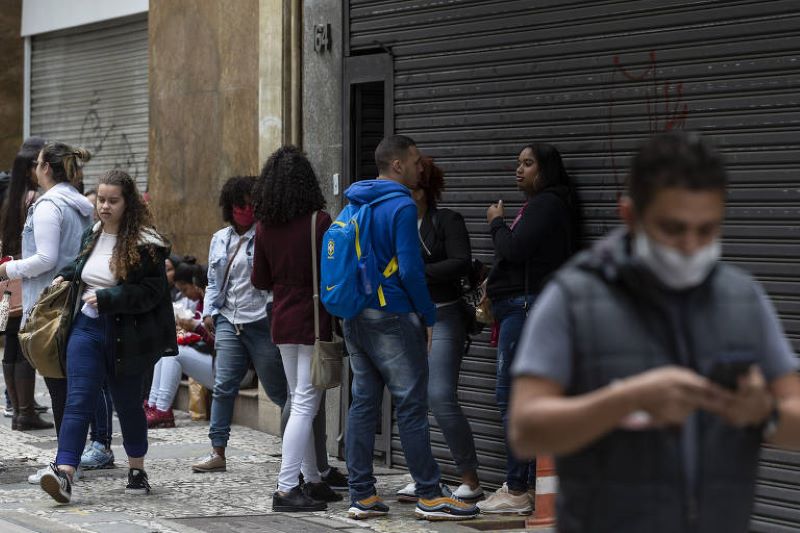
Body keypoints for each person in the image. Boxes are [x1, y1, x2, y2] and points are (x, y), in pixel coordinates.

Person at [509, 131, 800, 533]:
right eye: (673, 228)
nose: (691, 245)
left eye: (707, 230)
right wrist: (627, 398)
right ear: (630, 215)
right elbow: (526, 428)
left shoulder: (742, 298)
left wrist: (762, 414)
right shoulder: (574, 298)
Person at [341, 135, 478, 521]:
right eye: (416, 161)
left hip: (355, 313)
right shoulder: (400, 204)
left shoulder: (356, 200)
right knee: (412, 405)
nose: (422, 167)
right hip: (392, 314)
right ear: (398, 165)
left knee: (364, 403)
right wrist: (429, 317)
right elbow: (410, 268)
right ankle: (431, 495)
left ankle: (361, 495)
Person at [38, 169, 177, 503]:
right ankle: (65, 472)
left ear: (128, 203)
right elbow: (84, 267)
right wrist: (65, 276)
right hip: (85, 328)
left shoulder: (147, 244)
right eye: (101, 199)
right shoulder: (93, 233)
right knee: (78, 399)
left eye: (113, 200)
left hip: (126, 335)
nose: (104, 206)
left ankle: (137, 470)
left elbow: (152, 291)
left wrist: (108, 298)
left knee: (128, 405)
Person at [479, 142, 577, 515]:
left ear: (546, 169)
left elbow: (515, 250)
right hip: (526, 306)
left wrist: (496, 223)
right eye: (518, 163)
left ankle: (518, 488)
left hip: (526, 308)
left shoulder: (547, 204)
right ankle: (530, 483)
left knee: (512, 398)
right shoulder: (545, 205)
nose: (519, 170)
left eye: (528, 164)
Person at [251, 146, 342, 511]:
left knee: (300, 398)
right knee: (305, 402)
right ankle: (287, 487)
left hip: (282, 320)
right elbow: (333, 273)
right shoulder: (319, 222)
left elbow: (260, 279)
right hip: (313, 319)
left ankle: (313, 480)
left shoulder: (264, 227)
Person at [396, 157, 483, 502]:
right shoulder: (396, 224)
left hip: (445, 316)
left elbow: (461, 261)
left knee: (441, 396)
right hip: (408, 319)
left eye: (408, 188)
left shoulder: (447, 220)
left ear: (421, 191)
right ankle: (424, 477)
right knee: (411, 399)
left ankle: (471, 478)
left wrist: (416, 272)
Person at [191, 176, 289, 473]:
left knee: (279, 391)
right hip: (228, 320)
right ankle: (217, 452)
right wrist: (209, 312)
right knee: (223, 387)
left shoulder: (267, 235)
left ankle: (294, 450)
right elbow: (212, 281)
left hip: (262, 321)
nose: (243, 210)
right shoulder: (220, 238)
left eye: (249, 204)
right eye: (238, 205)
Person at [0, 136, 53, 431]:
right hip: (25, 277)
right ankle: (25, 411)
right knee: (23, 344)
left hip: (6, 280)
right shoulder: (34, 199)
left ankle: (19, 408)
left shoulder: (9, 197)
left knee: (10, 342)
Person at [146, 262, 215, 428]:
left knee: (174, 353)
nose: (200, 293)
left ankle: (162, 409)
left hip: (234, 371)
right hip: (218, 363)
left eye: (202, 290)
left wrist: (197, 329)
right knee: (166, 349)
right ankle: (154, 404)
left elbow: (223, 345)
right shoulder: (206, 302)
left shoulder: (222, 304)